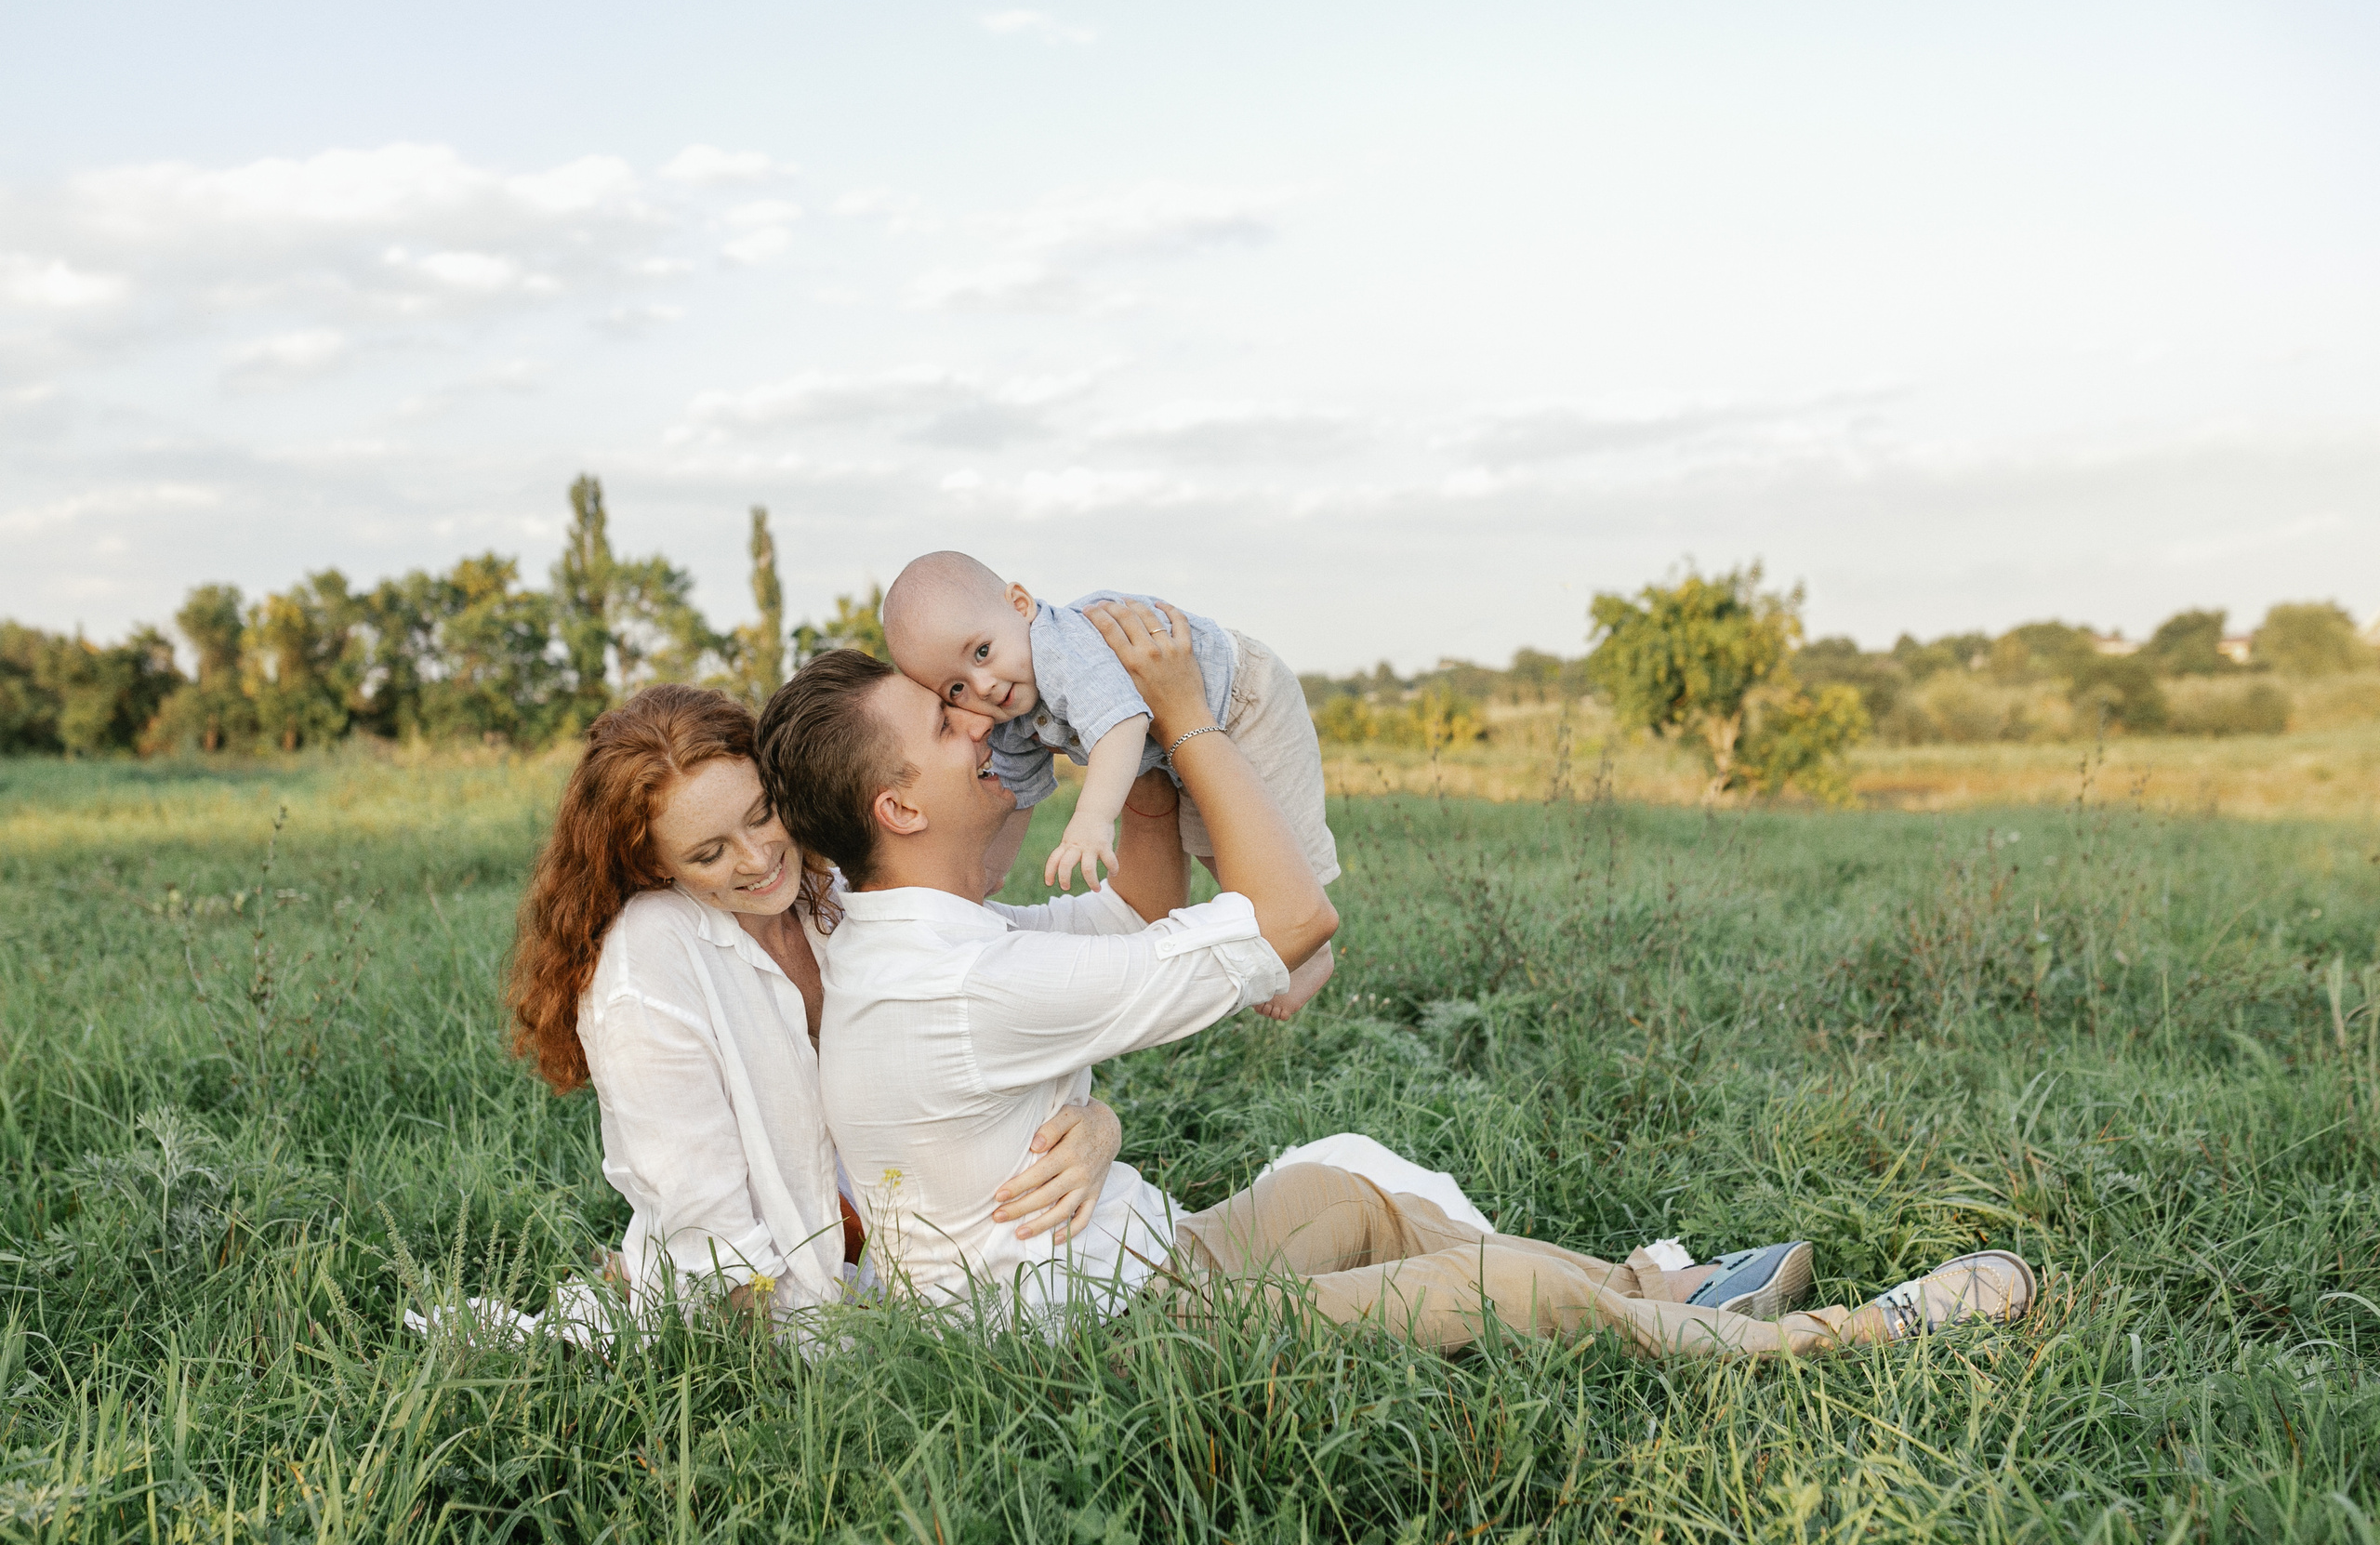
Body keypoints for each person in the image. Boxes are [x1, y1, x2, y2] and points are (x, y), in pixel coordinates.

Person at [757, 608, 2038, 1357]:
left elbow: (1132, 914)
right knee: (1503, 1289)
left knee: (1337, 1190)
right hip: (1126, 1342)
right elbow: (1290, 919)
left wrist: (1124, 743)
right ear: (897, 800)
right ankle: (1828, 1340)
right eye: (946, 721)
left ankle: (1661, 1291)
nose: (981, 716)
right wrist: (1188, 715)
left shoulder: (914, 930)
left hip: (1140, 1262)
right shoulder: (956, 977)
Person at [502, 683, 1126, 1331]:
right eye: (708, 854)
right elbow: (711, 1234)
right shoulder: (648, 961)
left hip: (937, 1251)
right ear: (653, 863)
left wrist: (1096, 1123)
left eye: (762, 813)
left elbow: (990, 994)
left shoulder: (830, 888)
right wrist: (837, 1361)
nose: (759, 858)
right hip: (786, 1313)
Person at [879, 549, 1338, 1019]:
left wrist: (1092, 820)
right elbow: (1016, 792)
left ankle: (1312, 947)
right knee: (1221, 847)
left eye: (982, 652)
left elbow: (1122, 725)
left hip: (1244, 699)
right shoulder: (1009, 713)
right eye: (956, 689)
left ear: (1019, 605)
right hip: (1182, 746)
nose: (984, 686)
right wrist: (986, 872)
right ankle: (1286, 941)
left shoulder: (1061, 648)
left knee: (1285, 842)